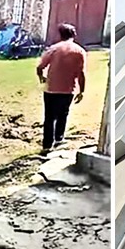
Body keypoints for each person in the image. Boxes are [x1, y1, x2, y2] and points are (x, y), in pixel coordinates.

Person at [36, 23, 86, 154]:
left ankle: (47, 145)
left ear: (60, 35)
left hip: (51, 88)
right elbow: (81, 73)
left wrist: (42, 78)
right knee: (63, 114)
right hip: (68, 89)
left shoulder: (54, 49)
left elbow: (40, 67)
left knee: (49, 117)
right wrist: (82, 91)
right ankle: (59, 138)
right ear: (74, 35)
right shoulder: (79, 51)